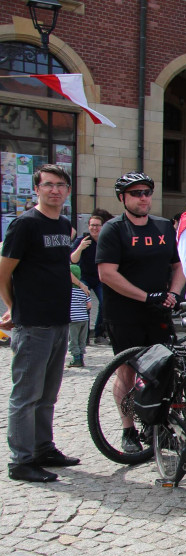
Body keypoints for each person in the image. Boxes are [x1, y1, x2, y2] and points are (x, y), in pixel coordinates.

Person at [0, 164, 81, 482]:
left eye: (60, 185)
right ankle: (21, 461)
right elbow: (4, 272)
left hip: (59, 320)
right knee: (26, 395)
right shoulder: (25, 225)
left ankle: (43, 448)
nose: (55, 190)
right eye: (48, 184)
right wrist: (13, 307)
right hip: (33, 323)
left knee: (48, 394)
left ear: (68, 191)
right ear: (37, 189)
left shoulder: (63, 225)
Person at [96, 172, 185, 454]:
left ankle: (156, 426)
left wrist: (174, 293)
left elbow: (179, 265)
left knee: (162, 370)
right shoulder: (113, 229)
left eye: (147, 192)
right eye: (136, 194)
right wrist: (145, 296)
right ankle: (128, 430)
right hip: (124, 313)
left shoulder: (163, 226)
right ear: (123, 198)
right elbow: (107, 274)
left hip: (158, 313)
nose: (143, 198)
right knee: (127, 373)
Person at [70, 208, 113, 343]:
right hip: (84, 277)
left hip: (100, 277)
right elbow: (73, 260)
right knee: (84, 304)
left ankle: (100, 334)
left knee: (105, 302)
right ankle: (85, 336)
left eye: (97, 225)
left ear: (102, 226)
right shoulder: (82, 240)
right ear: (88, 226)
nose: (94, 228)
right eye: (92, 225)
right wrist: (80, 248)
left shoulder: (106, 240)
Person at [67, 264, 92, 367]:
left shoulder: (68, 291)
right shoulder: (84, 291)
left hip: (73, 319)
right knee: (82, 339)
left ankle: (76, 359)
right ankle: (81, 358)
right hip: (84, 319)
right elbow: (89, 305)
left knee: (73, 339)